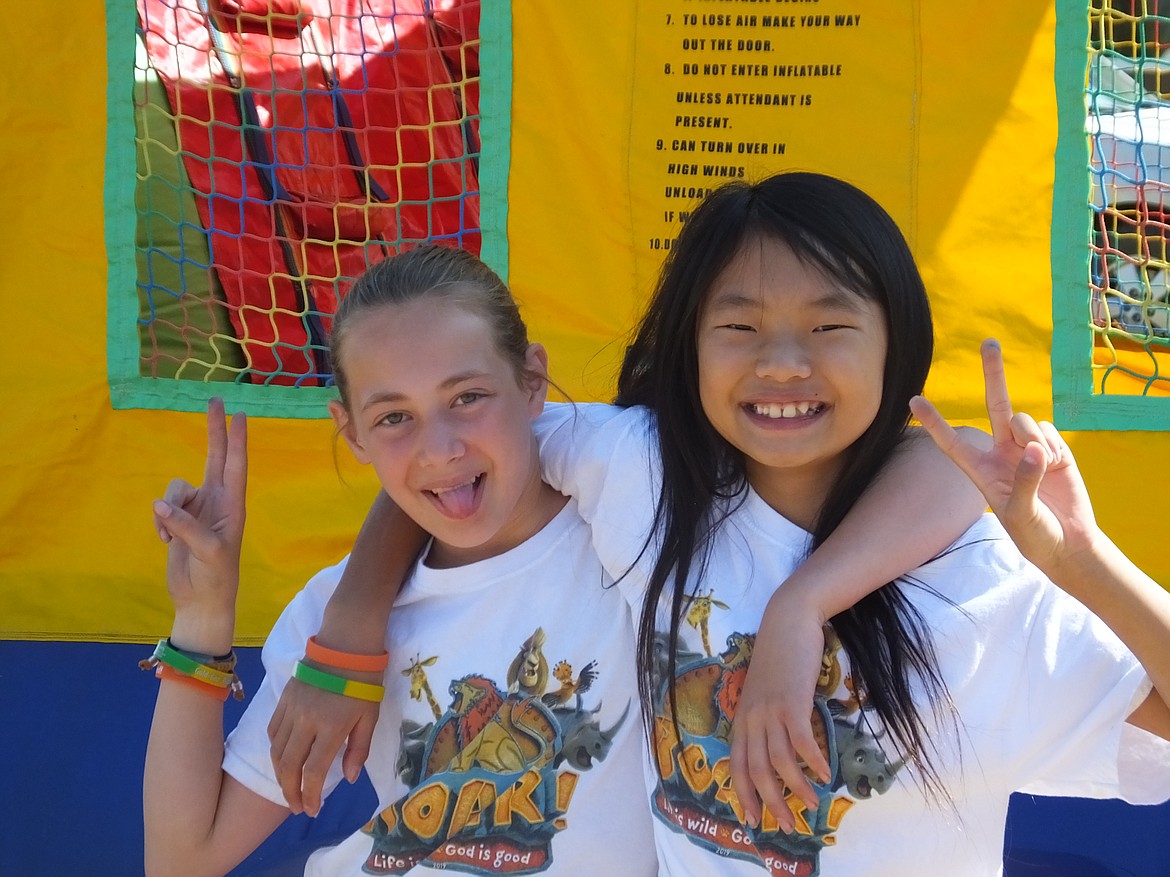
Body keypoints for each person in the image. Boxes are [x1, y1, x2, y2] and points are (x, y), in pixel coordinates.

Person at [271, 173, 1170, 876]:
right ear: (691, 343)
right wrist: (347, 635)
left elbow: (943, 459)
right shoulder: (641, 472)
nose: (783, 363)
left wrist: (1084, 563)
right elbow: (448, 458)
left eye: (829, 324)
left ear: (894, 341)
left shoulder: (972, 585)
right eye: (739, 324)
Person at [142, 245, 658, 877]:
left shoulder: (630, 527)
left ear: (531, 383)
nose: (438, 449)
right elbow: (182, 858)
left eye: (467, 397)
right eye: (394, 416)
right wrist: (201, 618)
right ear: (351, 431)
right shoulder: (335, 613)